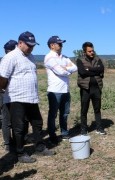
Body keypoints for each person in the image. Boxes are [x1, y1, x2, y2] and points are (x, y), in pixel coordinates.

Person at [0, 31, 55, 163]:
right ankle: (20, 153)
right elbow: (2, 78)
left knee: (37, 123)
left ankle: (40, 147)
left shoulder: (31, 57)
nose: (31, 47)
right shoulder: (11, 57)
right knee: (18, 128)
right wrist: (3, 92)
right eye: (28, 45)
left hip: (31, 98)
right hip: (16, 98)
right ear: (20, 43)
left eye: (33, 45)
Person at [44, 36, 77, 144]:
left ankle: (64, 132)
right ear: (52, 45)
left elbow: (75, 67)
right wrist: (67, 69)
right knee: (53, 114)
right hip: (55, 90)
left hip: (65, 90)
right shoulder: (49, 57)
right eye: (59, 44)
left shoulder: (64, 57)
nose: (61, 45)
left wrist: (65, 68)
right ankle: (52, 135)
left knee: (65, 113)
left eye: (62, 44)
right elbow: (60, 72)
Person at [77, 42, 105, 135]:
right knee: (84, 110)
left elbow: (101, 70)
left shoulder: (98, 59)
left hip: (97, 88)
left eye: (92, 50)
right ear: (85, 51)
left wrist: (89, 69)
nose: (92, 52)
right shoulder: (80, 60)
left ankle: (99, 128)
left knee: (97, 109)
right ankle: (84, 129)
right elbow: (82, 73)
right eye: (89, 51)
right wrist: (96, 71)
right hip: (86, 89)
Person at [1, 40, 18, 152]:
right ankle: (9, 143)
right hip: (6, 93)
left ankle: (10, 142)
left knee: (7, 119)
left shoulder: (3, 60)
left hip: (5, 93)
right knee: (8, 119)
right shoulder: (8, 60)